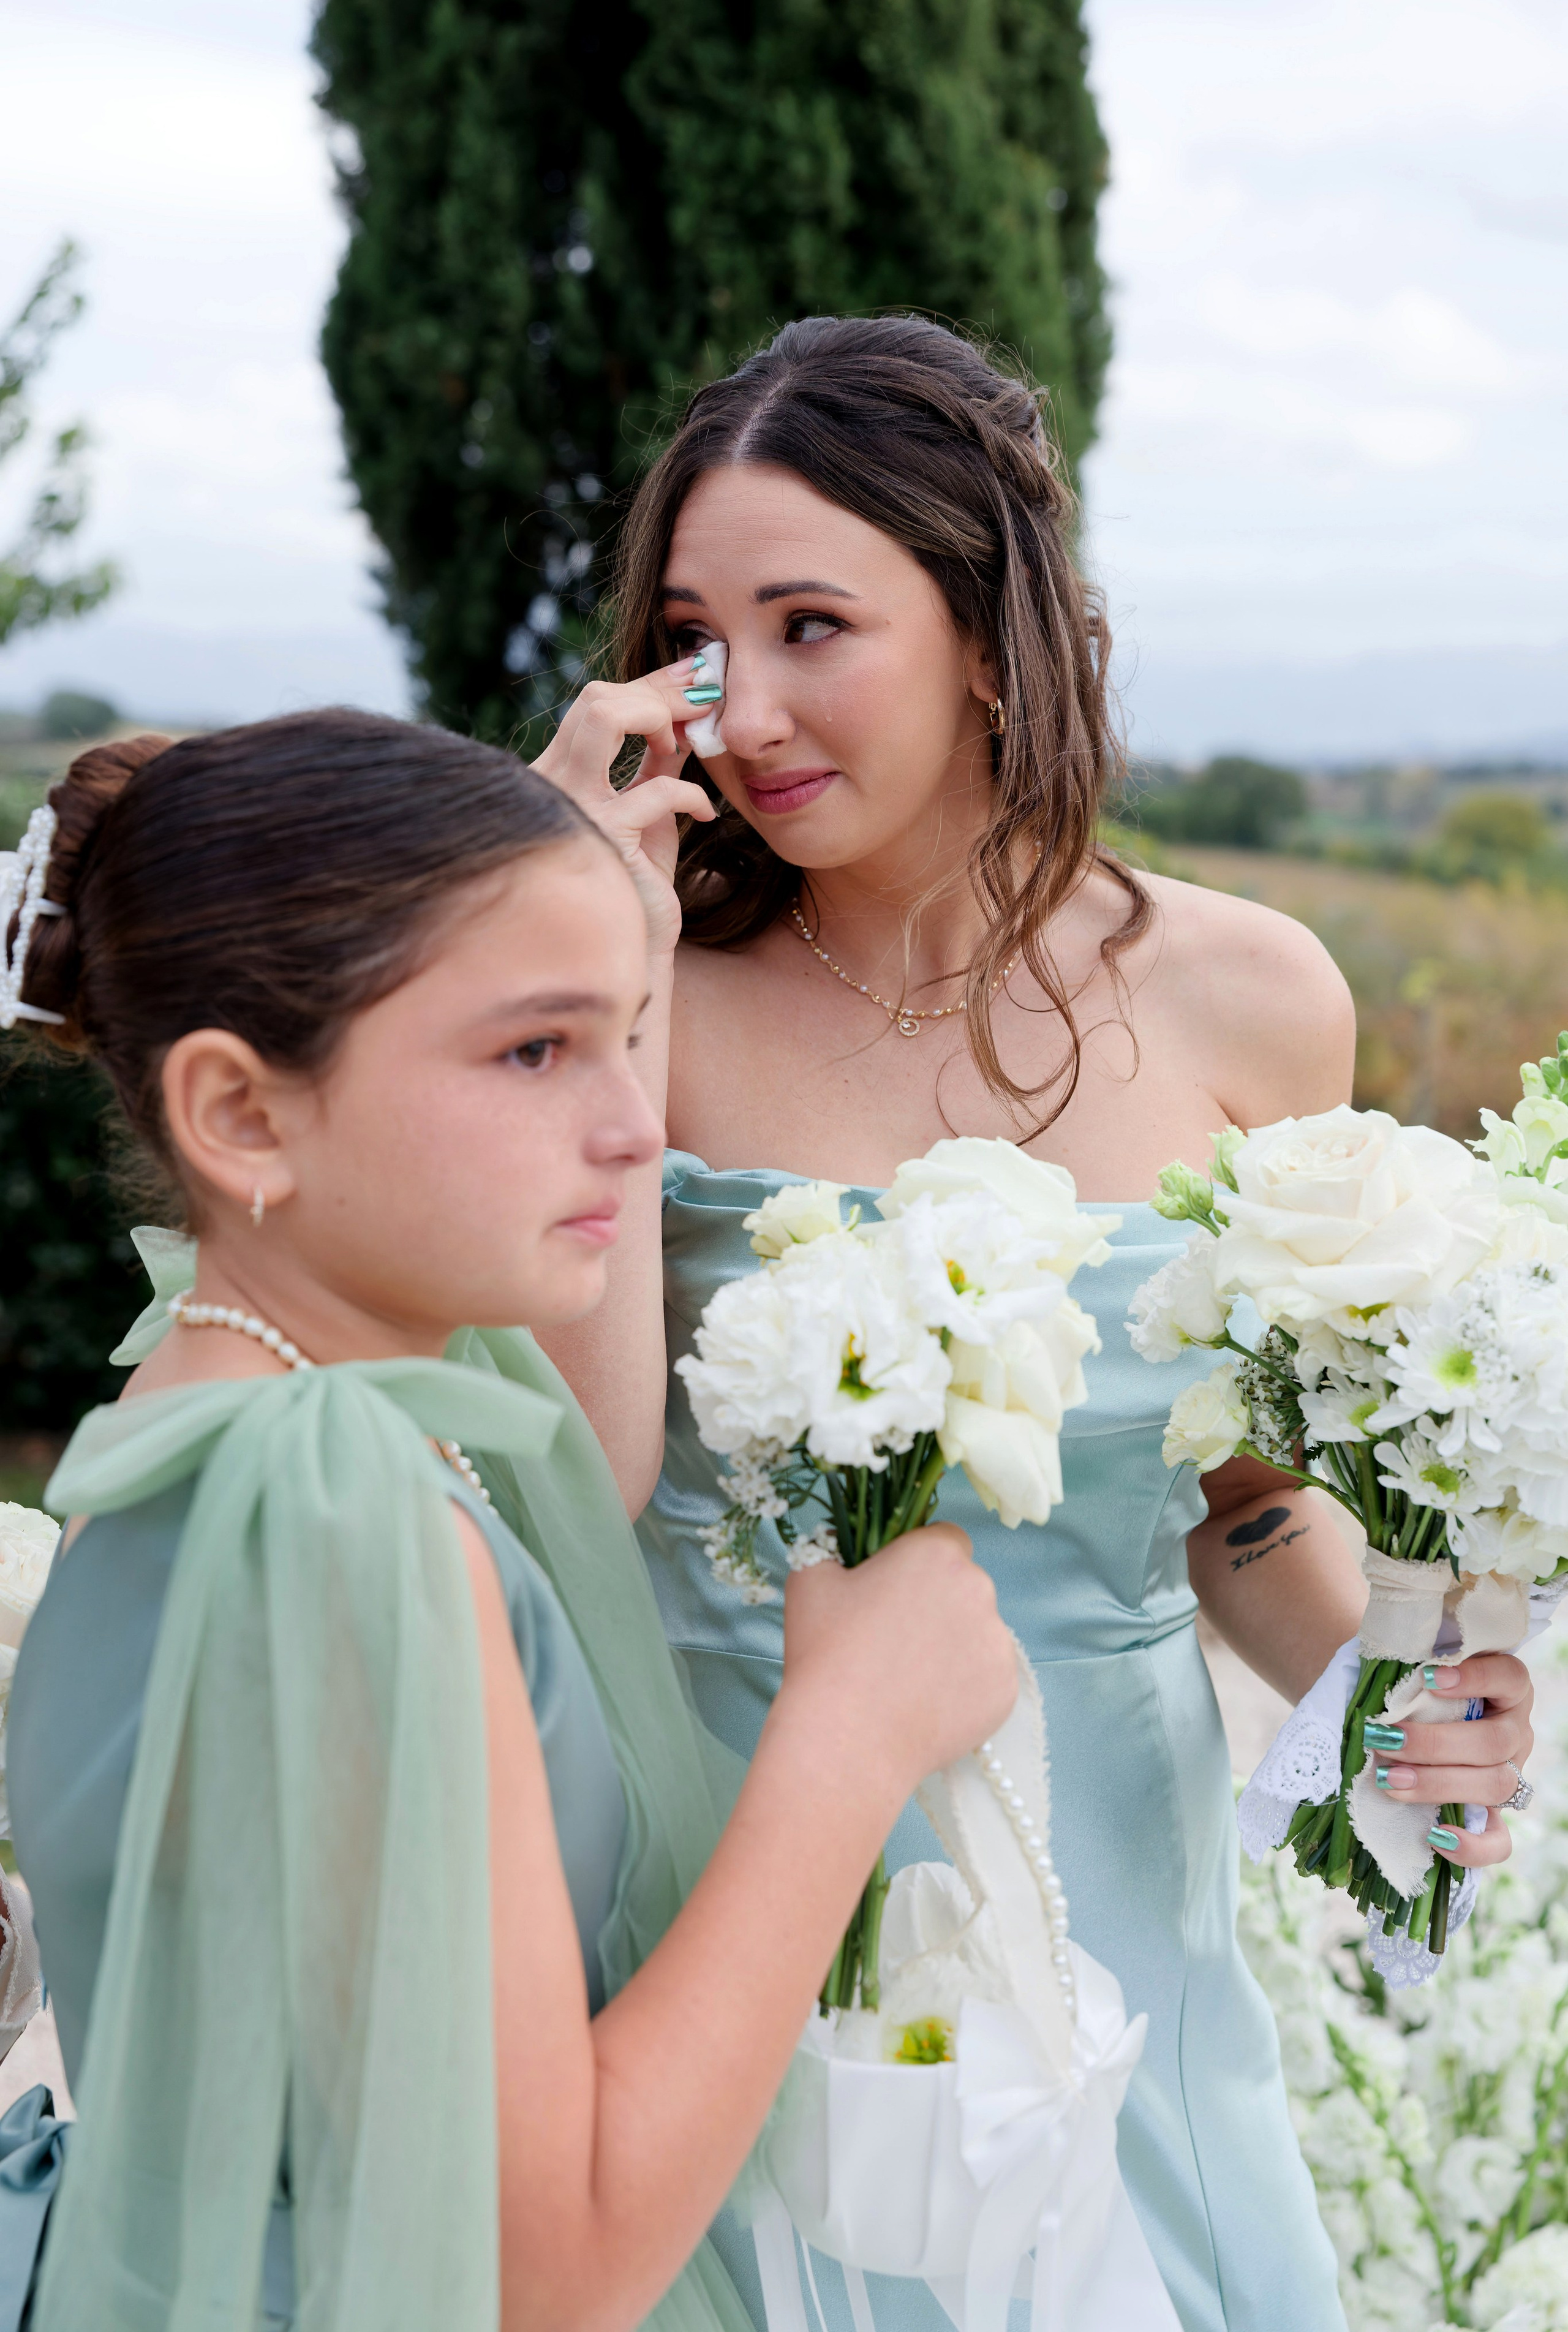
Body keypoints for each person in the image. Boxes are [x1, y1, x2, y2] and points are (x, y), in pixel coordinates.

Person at [531, 315, 1539, 2332]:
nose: (745, 708)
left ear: (995, 636)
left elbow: (1240, 1496)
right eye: (698, 638)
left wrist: (1390, 1694)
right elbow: (573, 1482)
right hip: (719, 1882)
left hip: (1108, 1904)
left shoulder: (1252, 998)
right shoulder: (626, 984)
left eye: (817, 623)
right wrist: (566, 932)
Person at [0, 710, 1017, 2331]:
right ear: (243, 1117)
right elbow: (544, 2270)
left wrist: (585, 910)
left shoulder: (235, 1398)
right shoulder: (331, 1506)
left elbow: (581, 1466)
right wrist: (851, 1734)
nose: (632, 1125)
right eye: (534, 1052)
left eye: (628, 1037)